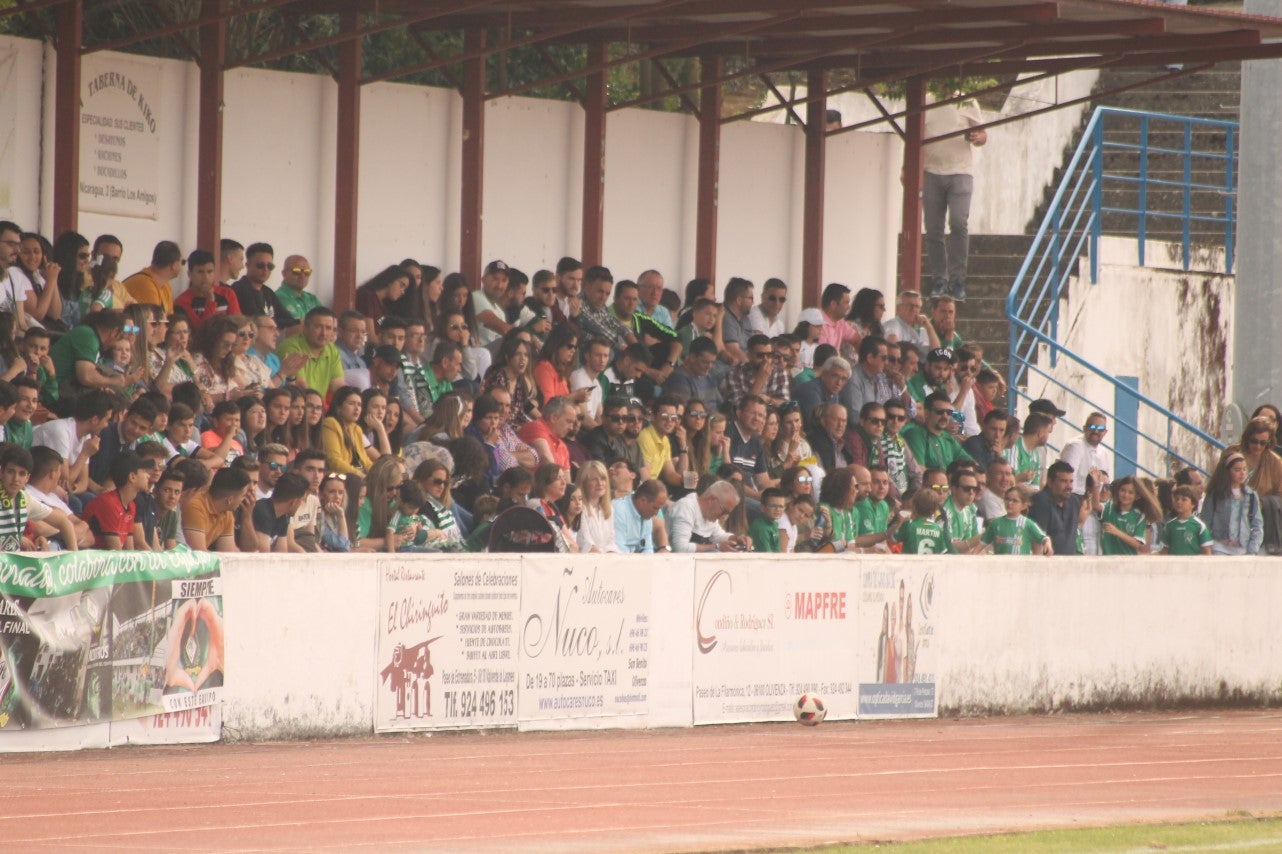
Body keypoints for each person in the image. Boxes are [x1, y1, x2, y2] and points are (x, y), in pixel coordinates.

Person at [923, 92, 985, 301]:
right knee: (933, 228)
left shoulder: (967, 100)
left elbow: (982, 134)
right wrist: (908, 166)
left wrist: (978, 138)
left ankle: (957, 279)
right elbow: (914, 135)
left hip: (960, 171)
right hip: (931, 170)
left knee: (958, 222)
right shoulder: (926, 99)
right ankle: (939, 279)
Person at [0, 446, 78, 551]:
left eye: (22, 474)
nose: (16, 479)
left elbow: (64, 522)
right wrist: (16, 539)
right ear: (1, 472)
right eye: (11, 472)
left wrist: (74, 556)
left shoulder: (24, 499)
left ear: (27, 478)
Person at [1200, 450, 1263, 555]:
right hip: (1219, 547)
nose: (1242, 473)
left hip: (1243, 549)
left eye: (1244, 469)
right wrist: (1208, 546)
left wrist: (1253, 549)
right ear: (1227, 471)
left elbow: (1257, 524)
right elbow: (1205, 522)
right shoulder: (1216, 493)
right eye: (1237, 470)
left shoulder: (1251, 495)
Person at [276, 307, 345, 397]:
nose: (323, 333)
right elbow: (300, 385)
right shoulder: (291, 347)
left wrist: (348, 397)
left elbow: (338, 384)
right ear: (305, 327)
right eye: (318, 327)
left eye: (328, 328)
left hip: (317, 404)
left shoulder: (332, 350)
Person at [182, 465, 251, 551]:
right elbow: (199, 552)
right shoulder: (195, 506)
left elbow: (228, 552)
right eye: (243, 496)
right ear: (230, 500)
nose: (244, 499)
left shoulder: (227, 512)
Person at [670, 479, 748, 553]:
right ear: (711, 500)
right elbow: (680, 548)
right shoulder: (686, 507)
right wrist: (717, 547)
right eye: (724, 511)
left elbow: (719, 536)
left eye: (727, 513)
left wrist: (737, 539)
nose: (724, 516)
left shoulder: (709, 514)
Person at [1029, 460, 1086, 556]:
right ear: (1050, 482)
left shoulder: (1074, 501)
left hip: (1071, 561)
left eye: (1071, 481)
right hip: (1047, 561)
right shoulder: (1040, 501)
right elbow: (1037, 542)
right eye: (1063, 481)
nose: (1069, 486)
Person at [231, 243, 295, 328]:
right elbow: (259, 322)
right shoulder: (240, 289)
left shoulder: (268, 292)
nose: (265, 269)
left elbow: (288, 319)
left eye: (270, 266)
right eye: (260, 265)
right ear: (247, 265)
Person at [174, 249, 241, 328]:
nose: (206, 277)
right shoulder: (182, 302)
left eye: (210, 271)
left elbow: (237, 325)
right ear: (189, 274)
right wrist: (210, 302)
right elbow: (201, 330)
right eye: (200, 272)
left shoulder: (227, 293)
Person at [1100, 475, 1162, 555]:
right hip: (1107, 559)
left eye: (1130, 492)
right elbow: (1095, 505)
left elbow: (1137, 544)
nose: (1126, 495)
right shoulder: (1109, 507)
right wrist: (1096, 484)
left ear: (1137, 496)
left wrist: (1117, 532)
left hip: (1128, 559)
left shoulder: (1139, 515)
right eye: (1123, 490)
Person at [981, 486, 1049, 555]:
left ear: (1024, 506)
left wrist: (1048, 544)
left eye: (1015, 501)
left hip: (1021, 561)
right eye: (1007, 499)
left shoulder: (1028, 523)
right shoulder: (996, 523)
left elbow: (1043, 538)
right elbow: (982, 543)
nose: (1010, 503)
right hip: (1000, 561)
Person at [321, 386, 373, 476]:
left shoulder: (356, 429)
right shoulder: (330, 423)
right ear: (339, 407)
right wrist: (362, 476)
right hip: (340, 477)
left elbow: (366, 461)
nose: (357, 408)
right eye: (351, 403)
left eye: (359, 405)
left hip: (359, 476)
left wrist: (376, 475)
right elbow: (335, 462)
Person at [251, 472, 309, 553]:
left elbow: (282, 552)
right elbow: (263, 554)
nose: (301, 505)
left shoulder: (283, 516)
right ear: (294, 502)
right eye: (301, 501)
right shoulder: (262, 511)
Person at [121, 240, 182, 315]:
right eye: (182, 262)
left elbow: (170, 318)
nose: (182, 266)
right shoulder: (145, 284)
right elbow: (153, 320)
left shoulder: (165, 285)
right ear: (174, 265)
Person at [1059, 413, 1113, 495]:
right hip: (1074, 496)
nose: (1096, 431)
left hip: (1094, 498)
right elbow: (1067, 479)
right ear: (1084, 428)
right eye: (1092, 427)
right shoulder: (1075, 446)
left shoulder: (1104, 453)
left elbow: (1105, 482)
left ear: (1105, 432)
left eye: (1100, 428)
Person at [574, 461, 618, 553]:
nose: (600, 483)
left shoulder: (608, 508)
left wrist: (613, 555)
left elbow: (610, 542)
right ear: (584, 483)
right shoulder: (579, 508)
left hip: (603, 558)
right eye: (594, 479)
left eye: (603, 478)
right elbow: (586, 543)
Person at [892, 489, 952, 554]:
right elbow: (942, 552)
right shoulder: (938, 528)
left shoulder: (908, 525)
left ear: (914, 506)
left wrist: (900, 523)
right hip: (930, 561)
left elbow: (893, 539)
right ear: (935, 510)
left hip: (910, 560)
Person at [1163, 485, 1213, 555]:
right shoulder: (1169, 526)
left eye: (1184, 499)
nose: (1179, 502)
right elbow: (1165, 550)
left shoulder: (1199, 526)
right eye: (1177, 499)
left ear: (1193, 504)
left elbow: (1207, 551)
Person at [1008, 411, 1053, 487]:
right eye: (1048, 432)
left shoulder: (1036, 454)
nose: (1048, 436)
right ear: (1041, 433)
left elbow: (1035, 485)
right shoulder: (1014, 446)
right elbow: (1011, 483)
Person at [749, 487, 787, 553]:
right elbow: (767, 556)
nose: (778, 509)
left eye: (781, 506)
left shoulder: (774, 523)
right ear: (762, 507)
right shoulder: (761, 528)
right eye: (773, 506)